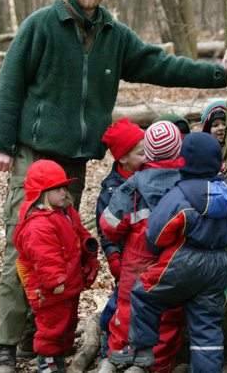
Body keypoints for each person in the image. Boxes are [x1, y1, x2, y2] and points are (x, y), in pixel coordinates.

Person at [0, 0, 227, 372]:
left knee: (61, 250)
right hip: (33, 153)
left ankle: (39, 341)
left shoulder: (113, 35)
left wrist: (216, 74)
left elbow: (158, 63)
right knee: (22, 245)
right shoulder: (43, 25)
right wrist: (0, 143)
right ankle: (8, 347)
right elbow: (10, 80)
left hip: (74, 164)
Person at [108, 132, 227, 373]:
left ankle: (141, 350)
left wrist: (156, 250)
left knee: (143, 293)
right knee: (207, 322)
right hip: (219, 265)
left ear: (183, 162)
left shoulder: (179, 196)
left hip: (182, 258)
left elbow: (156, 234)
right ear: (218, 162)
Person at [100, 121, 185, 372]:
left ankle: (116, 359)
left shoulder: (132, 185)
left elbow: (109, 226)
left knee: (127, 307)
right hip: (172, 259)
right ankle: (153, 366)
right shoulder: (186, 180)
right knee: (166, 314)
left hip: (136, 260)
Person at [13, 160, 99, 373]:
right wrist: (54, 279)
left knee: (68, 321)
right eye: (58, 188)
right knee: (52, 325)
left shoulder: (67, 212)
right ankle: (49, 361)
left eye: (64, 187)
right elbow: (44, 256)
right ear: (42, 193)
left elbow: (81, 234)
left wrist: (89, 253)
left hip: (68, 283)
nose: (64, 192)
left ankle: (61, 351)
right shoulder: (38, 223)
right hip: (49, 289)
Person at [96, 118, 146, 357]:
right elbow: (104, 228)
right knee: (119, 306)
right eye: (140, 152)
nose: (148, 155)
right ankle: (109, 348)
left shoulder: (151, 174)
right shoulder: (111, 190)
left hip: (149, 258)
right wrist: (113, 256)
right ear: (123, 158)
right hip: (126, 261)